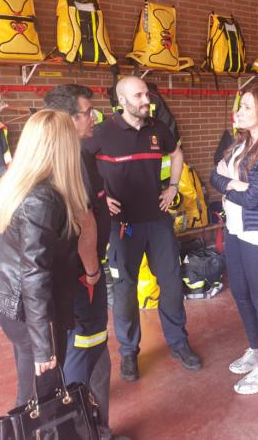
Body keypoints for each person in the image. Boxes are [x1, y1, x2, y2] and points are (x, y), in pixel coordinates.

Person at [0, 109, 88, 406]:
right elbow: (35, 275)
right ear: (64, 148)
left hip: (12, 308)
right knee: (38, 394)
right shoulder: (42, 199)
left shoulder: (10, 183)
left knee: (32, 385)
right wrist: (44, 345)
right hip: (32, 311)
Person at [83, 76, 201, 382]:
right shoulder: (102, 133)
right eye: (138, 95)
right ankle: (128, 352)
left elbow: (176, 155)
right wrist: (100, 196)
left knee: (172, 286)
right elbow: (79, 161)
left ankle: (178, 343)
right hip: (122, 227)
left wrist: (173, 187)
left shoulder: (158, 128)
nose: (145, 99)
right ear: (122, 101)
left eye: (146, 94)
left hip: (158, 221)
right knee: (124, 293)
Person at [44, 84, 122, 440]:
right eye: (87, 112)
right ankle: (83, 431)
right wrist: (92, 273)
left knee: (96, 355)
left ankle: (94, 427)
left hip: (76, 278)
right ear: (68, 119)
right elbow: (82, 223)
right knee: (84, 356)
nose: (94, 116)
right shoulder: (70, 161)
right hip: (82, 280)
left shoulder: (75, 153)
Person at [210, 83, 258, 395]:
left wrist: (229, 185)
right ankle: (255, 349)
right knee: (240, 293)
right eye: (239, 105)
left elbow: (255, 197)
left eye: (246, 106)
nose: (238, 111)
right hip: (234, 226)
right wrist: (233, 184)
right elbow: (213, 176)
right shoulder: (238, 143)